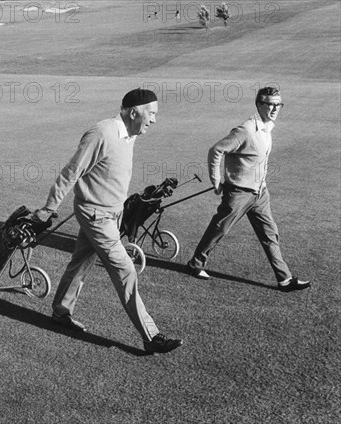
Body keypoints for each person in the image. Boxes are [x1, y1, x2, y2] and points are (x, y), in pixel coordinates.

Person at [33, 88, 183, 354]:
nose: (154, 120)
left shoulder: (130, 134)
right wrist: (49, 207)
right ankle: (151, 336)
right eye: (151, 113)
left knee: (80, 262)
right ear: (133, 111)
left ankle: (60, 312)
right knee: (125, 270)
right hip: (96, 215)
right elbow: (72, 171)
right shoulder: (102, 133)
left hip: (111, 214)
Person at [186, 87, 311, 292]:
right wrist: (216, 180)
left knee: (270, 234)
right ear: (259, 104)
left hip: (260, 193)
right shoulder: (245, 130)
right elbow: (216, 150)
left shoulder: (267, 127)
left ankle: (285, 280)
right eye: (270, 104)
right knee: (220, 229)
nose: (275, 108)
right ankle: (195, 264)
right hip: (239, 193)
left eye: (278, 104)